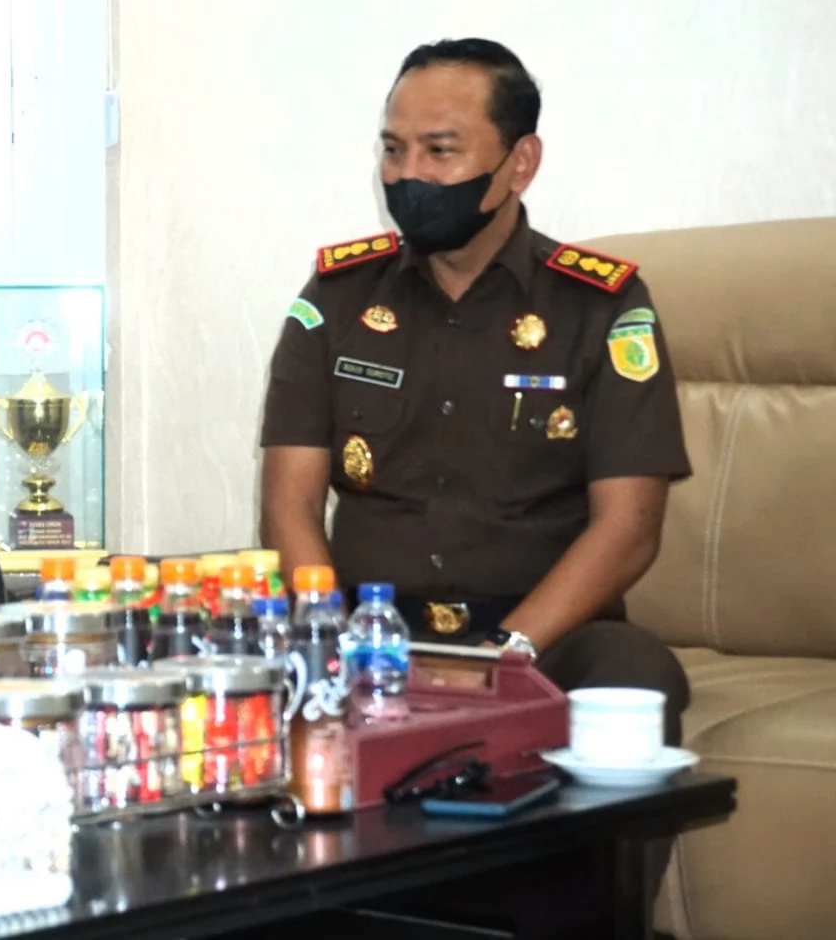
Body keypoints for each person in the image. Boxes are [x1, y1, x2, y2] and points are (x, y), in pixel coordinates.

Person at [259, 38, 691, 745]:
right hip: (370, 632)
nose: (409, 175)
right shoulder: (337, 299)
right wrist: (334, 641)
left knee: (635, 675)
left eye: (440, 151)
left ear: (521, 162)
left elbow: (629, 529)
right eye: (393, 150)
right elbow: (289, 503)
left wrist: (502, 657)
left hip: (542, 637)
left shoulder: (600, 308)